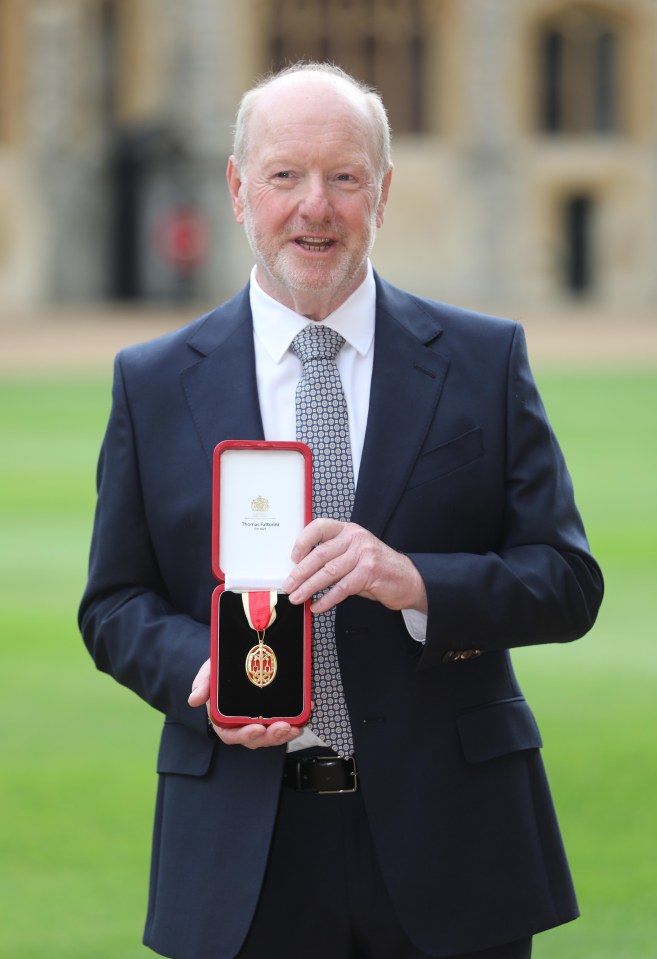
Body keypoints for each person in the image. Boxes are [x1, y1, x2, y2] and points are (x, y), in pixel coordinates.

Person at [79, 62, 603, 959]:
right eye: (285, 175)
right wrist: (206, 674)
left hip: (454, 841)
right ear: (240, 190)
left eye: (344, 176)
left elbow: (565, 581)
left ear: (383, 192)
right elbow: (115, 602)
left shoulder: (483, 359)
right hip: (244, 850)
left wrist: (412, 582)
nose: (314, 206)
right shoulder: (153, 382)